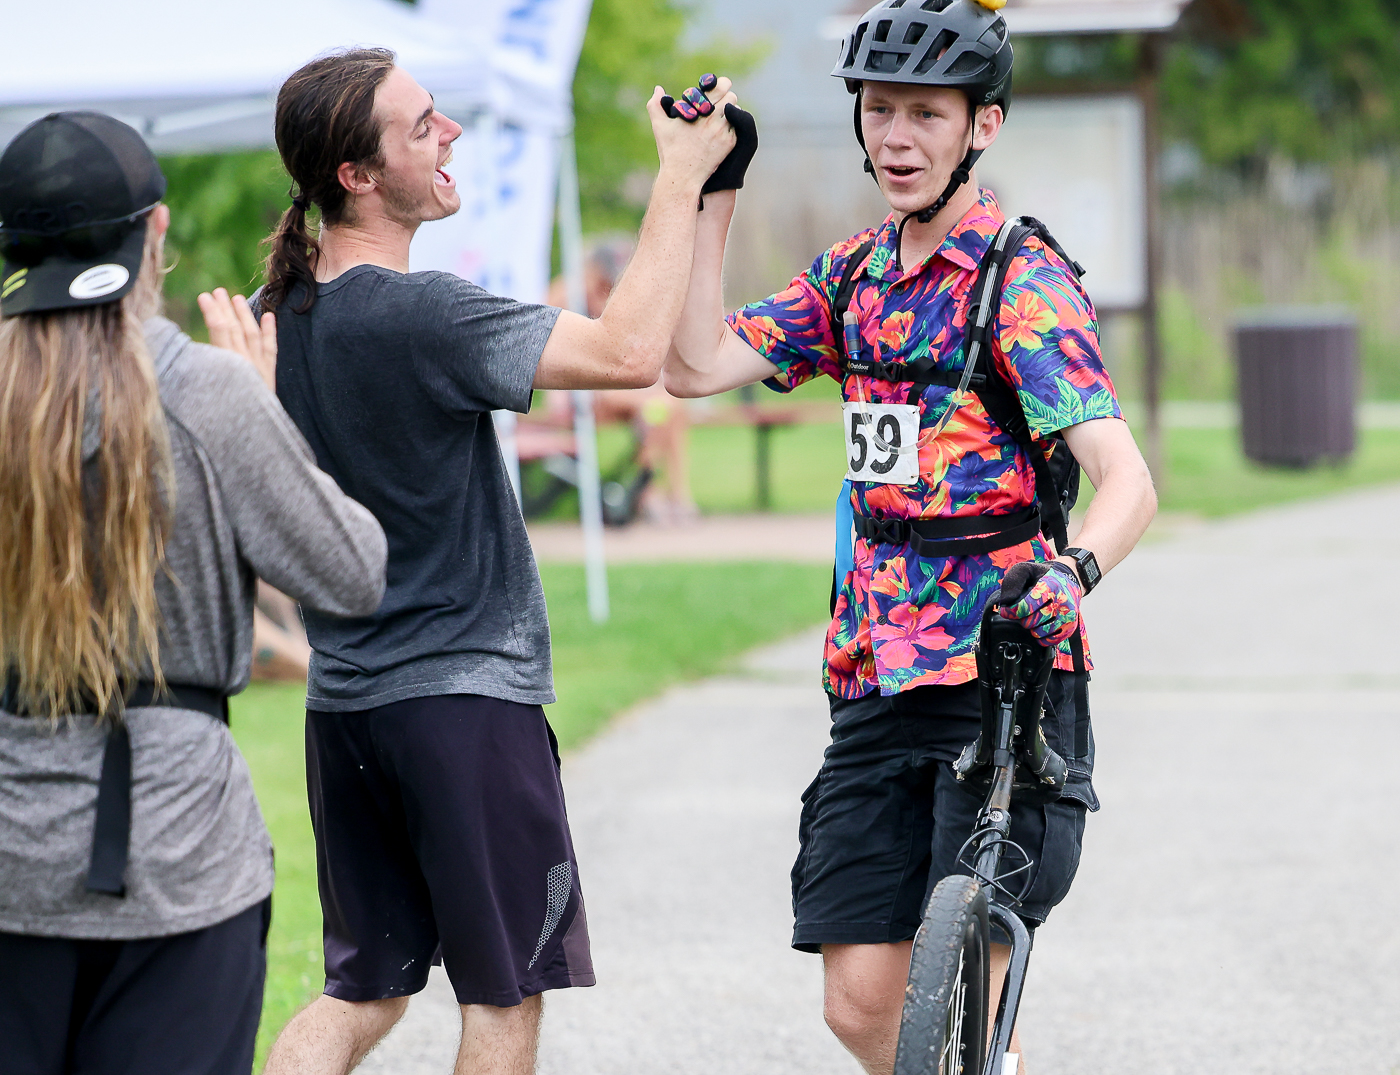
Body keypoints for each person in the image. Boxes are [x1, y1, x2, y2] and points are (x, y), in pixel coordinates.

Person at [662, 1, 1159, 1072]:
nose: (896, 137)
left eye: (925, 114)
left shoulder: (1020, 283)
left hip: (1001, 671)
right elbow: (693, 366)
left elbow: (1126, 479)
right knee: (857, 1005)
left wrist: (1075, 570)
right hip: (874, 670)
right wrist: (711, 190)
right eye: (879, 109)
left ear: (982, 126)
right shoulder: (852, 276)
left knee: (963, 984)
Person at [250, 51, 745, 1075]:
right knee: (504, 997)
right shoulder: (424, 312)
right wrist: (678, 173)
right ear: (356, 175)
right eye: (422, 126)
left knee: (360, 992)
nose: (451, 134)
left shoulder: (273, 317)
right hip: (464, 707)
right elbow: (628, 354)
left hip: (344, 708)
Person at [0, 112, 386, 1075]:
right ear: (156, 231)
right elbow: (352, 569)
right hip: (181, 854)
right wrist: (262, 409)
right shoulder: (209, 391)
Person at [544, 238, 698, 524]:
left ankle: (671, 493)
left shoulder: (609, 297)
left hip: (612, 391)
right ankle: (650, 494)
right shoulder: (566, 294)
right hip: (579, 393)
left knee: (666, 411)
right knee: (658, 406)